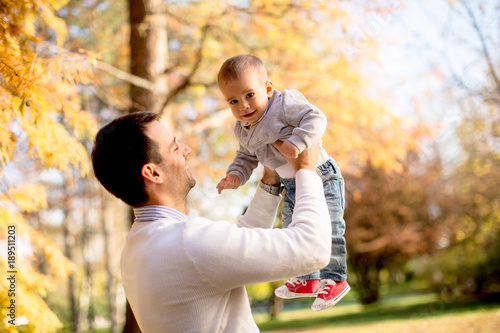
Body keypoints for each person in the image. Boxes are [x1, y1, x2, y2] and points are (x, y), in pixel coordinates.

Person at [91, 111, 332, 332]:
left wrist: (270, 178)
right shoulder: (187, 242)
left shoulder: (138, 246)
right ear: (153, 173)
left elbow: (231, 250)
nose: (186, 149)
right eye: (174, 147)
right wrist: (306, 169)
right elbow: (312, 248)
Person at [216, 54, 349, 311]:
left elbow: (316, 118)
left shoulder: (284, 103)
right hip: (290, 184)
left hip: (321, 175)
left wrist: (298, 141)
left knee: (329, 227)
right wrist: (235, 175)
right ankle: (306, 278)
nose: (243, 106)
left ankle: (335, 279)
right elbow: (245, 156)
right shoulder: (242, 128)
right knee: (293, 227)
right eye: (233, 101)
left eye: (249, 95)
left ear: (267, 88)